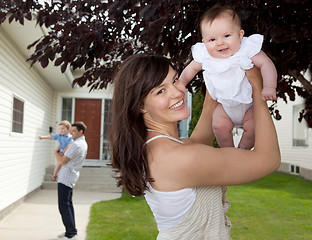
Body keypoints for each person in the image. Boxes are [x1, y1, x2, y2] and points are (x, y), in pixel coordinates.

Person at [109, 54, 280, 239]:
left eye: (175, 80)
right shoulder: (178, 157)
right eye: (160, 91)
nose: (177, 92)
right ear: (141, 106)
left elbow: (201, 140)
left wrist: (218, 72)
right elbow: (268, 160)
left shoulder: (159, 147)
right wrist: (257, 86)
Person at [179, 6, 277, 149]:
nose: (220, 42)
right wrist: (181, 84)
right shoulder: (205, 56)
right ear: (204, 42)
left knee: (254, 127)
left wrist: (269, 86)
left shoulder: (246, 49)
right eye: (212, 39)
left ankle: (242, 150)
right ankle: (228, 151)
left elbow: (266, 64)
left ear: (240, 35)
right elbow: (189, 70)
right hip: (224, 106)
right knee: (218, 126)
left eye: (226, 36)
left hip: (249, 104)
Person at [54, 121, 88, 240]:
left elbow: (62, 161)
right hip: (71, 176)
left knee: (63, 206)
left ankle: (70, 234)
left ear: (81, 132)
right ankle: (71, 230)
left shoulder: (76, 145)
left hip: (66, 177)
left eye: (73, 131)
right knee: (68, 205)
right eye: (71, 130)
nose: (71, 133)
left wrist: (56, 153)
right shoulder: (83, 143)